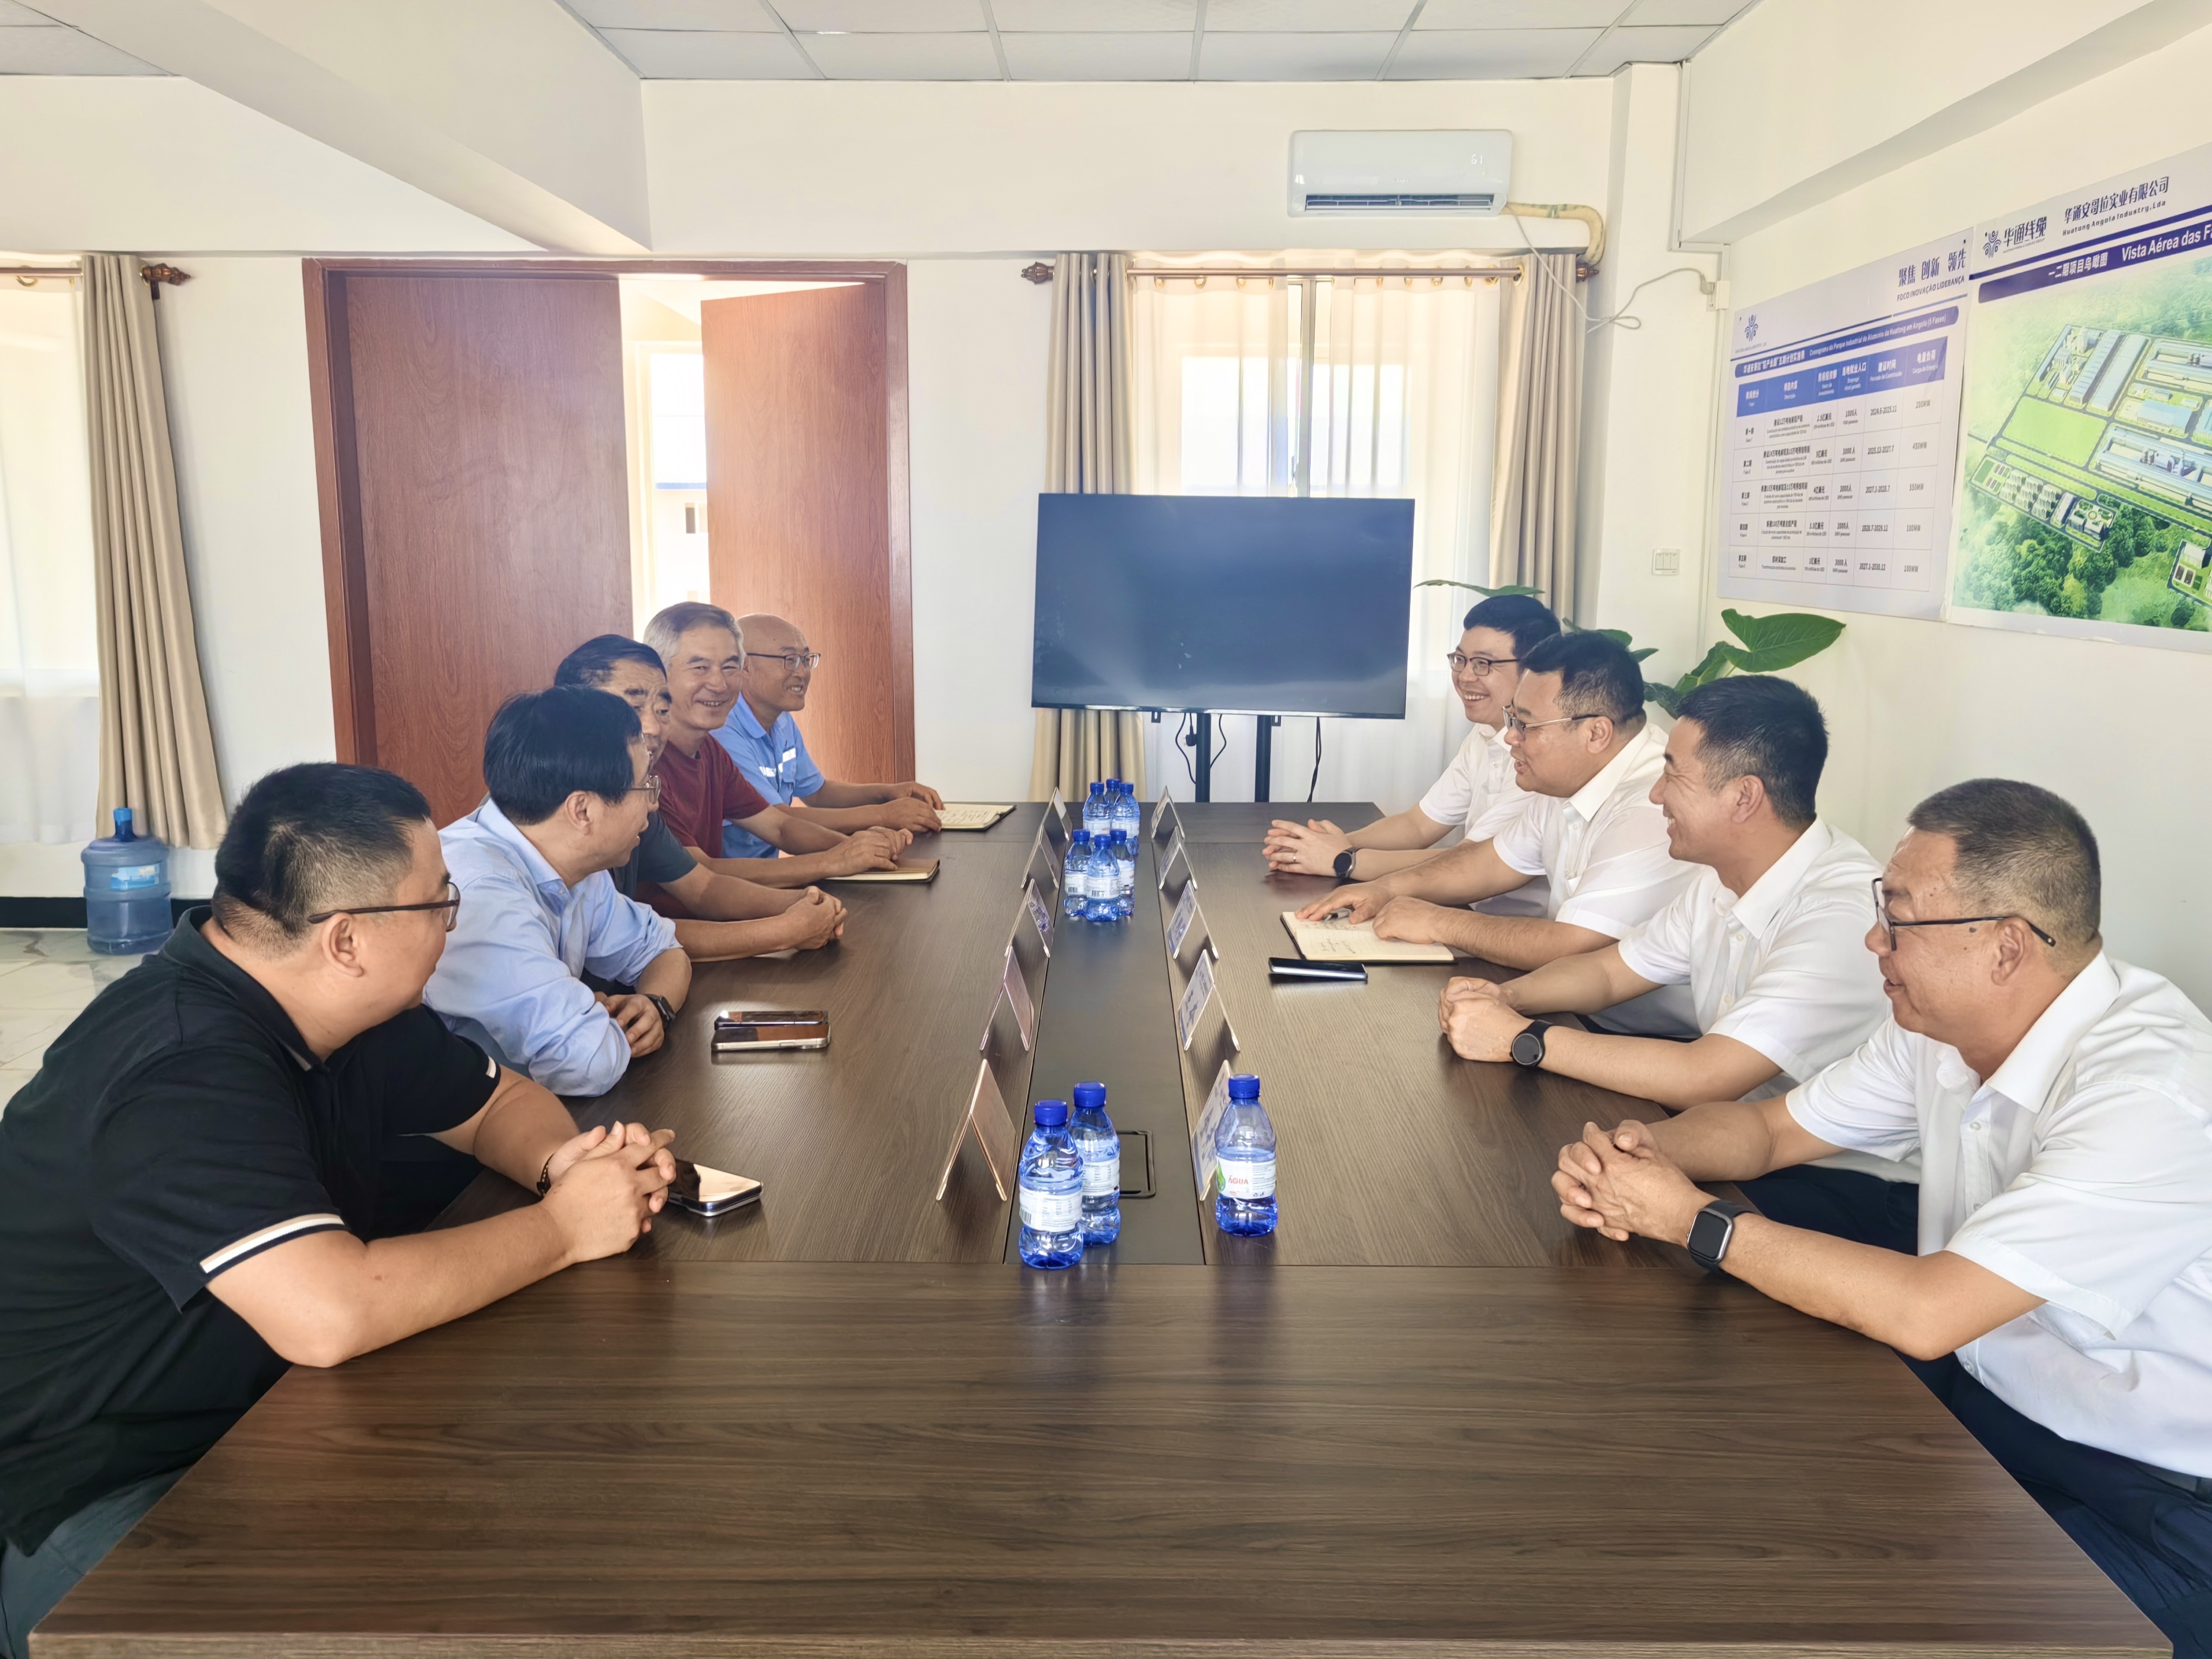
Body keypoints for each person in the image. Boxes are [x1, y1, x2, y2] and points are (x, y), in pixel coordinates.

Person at [0, 763, 677, 1657]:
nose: (453, 921)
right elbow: (329, 1312)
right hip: (109, 1484)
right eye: (440, 901)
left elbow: (498, 1104)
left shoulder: (345, 1007)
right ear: (348, 938)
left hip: (273, 1411)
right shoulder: (181, 1066)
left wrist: (564, 1165)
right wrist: (563, 1228)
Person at [1550, 779, 2212, 1657]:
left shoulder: (2150, 1093)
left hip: (2154, 1500)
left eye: (1897, 917)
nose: (1874, 940)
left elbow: (1927, 1310)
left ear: (2006, 946)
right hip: (1986, 1403)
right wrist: (1640, 1155)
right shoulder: (1940, 1024)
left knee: (1851, 1617)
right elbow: (1767, 1131)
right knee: (1701, 1490)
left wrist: (1687, 1217)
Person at [1438, 675, 1911, 1246]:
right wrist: (1505, 998)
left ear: (1743, 797)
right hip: (1745, 1134)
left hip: (1853, 1184)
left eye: (1672, 775)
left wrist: (1522, 1039)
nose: (1656, 795)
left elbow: (1704, 1075)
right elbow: (1609, 972)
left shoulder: (1839, 913)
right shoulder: (1723, 877)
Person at [1296, 630, 1697, 1033]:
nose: (1510, 737)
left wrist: (1438, 922)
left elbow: (1573, 945)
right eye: (1512, 719)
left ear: (1596, 733)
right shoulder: (1565, 775)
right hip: (1567, 1006)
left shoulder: (1652, 806)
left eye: (1526, 725)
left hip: (1647, 1037)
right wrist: (1385, 889)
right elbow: (1489, 862)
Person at [425, 687, 692, 1097]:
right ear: (582, 810)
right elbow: (585, 1063)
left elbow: (663, 950)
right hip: (457, 1128)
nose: (653, 805)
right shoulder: (479, 892)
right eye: (644, 787)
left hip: (529, 1109)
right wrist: (593, 1018)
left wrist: (654, 1005)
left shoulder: (576, 862)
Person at [552, 635, 847, 960]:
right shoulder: (546, 819)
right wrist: (786, 929)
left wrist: (806, 902)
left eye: (662, 710)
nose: (653, 727)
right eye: (632, 709)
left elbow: (701, 888)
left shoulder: (640, 794)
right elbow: (634, 937)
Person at [1264, 595, 1559, 911]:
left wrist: (1343, 860)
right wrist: (1336, 843)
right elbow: (1418, 825)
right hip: (1463, 909)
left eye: (1483, 664)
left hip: (1509, 926)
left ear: (1533, 671)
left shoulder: (1543, 758)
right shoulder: (1484, 733)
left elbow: (1470, 862)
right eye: (1460, 660)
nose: (1465, 676)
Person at [641, 603, 916, 882]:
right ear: (657, 673)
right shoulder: (647, 763)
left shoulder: (711, 751)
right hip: (710, 902)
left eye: (729, 667)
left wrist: (859, 847)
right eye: (700, 667)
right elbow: (701, 877)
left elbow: (780, 827)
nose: (720, 684)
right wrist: (837, 857)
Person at [713, 610, 945, 857]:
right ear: (745, 666)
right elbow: (778, 820)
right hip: (736, 876)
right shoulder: (722, 731)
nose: (802, 673)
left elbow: (818, 793)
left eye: (806, 660)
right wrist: (883, 816)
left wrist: (888, 794)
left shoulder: (782, 720)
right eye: (789, 660)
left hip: (771, 870)